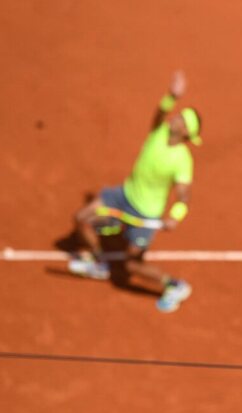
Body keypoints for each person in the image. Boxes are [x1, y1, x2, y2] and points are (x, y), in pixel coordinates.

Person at [69, 70, 201, 313]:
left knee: (131, 266)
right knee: (82, 219)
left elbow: (184, 195)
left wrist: (176, 215)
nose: (176, 118)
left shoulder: (183, 160)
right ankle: (100, 262)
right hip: (123, 196)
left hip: (145, 215)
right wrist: (172, 96)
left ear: (186, 133)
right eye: (179, 115)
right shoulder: (159, 133)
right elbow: (159, 114)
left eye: (182, 120)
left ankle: (174, 286)